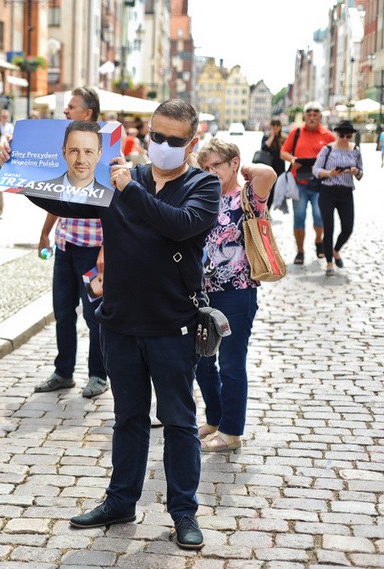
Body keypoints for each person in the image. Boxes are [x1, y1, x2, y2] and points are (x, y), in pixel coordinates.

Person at [25, 99, 221, 550]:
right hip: (119, 321)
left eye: (175, 140)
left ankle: (184, 512)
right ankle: (120, 500)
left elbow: (179, 225)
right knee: (127, 418)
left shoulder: (202, 185)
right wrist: (24, 183)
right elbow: (72, 204)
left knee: (177, 420)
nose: (164, 146)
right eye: (158, 136)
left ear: (191, 143)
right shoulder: (120, 174)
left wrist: (129, 189)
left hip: (173, 325)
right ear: (146, 133)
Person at [195, 138, 277, 452]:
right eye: (206, 167)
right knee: (202, 361)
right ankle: (215, 419)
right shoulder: (203, 197)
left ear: (232, 163)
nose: (210, 171)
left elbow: (267, 173)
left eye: (217, 164)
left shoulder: (248, 197)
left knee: (231, 364)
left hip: (237, 293)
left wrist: (241, 168)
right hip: (203, 293)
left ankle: (231, 432)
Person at [34, 87, 107, 399]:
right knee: (63, 311)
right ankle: (63, 372)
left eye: (71, 107)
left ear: (87, 114)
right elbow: (56, 197)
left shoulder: (105, 153)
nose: (65, 112)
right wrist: (45, 233)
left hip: (94, 250)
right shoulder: (64, 148)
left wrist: (108, 250)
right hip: (65, 246)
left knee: (95, 316)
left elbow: (114, 207)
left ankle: (98, 375)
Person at [280, 101, 335, 265]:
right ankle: (300, 252)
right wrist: (293, 159)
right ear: (305, 116)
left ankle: (319, 241)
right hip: (299, 183)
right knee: (299, 218)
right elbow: (283, 152)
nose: (311, 117)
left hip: (320, 184)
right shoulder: (296, 132)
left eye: (315, 114)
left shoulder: (328, 136)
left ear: (320, 116)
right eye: (309, 114)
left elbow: (336, 155)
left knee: (320, 217)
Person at [312, 120, 363, 277]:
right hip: (328, 191)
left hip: (346, 193)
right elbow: (316, 170)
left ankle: (336, 250)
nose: (345, 138)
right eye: (342, 135)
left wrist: (355, 172)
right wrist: (329, 173)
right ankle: (329, 263)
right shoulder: (327, 149)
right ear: (337, 134)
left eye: (349, 136)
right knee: (329, 228)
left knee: (348, 228)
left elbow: (361, 174)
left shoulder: (355, 150)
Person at [260, 119, 286, 208]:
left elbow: (287, 151)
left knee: (276, 190)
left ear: (280, 126)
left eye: (277, 125)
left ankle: (271, 209)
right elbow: (263, 148)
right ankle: (265, 210)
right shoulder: (266, 137)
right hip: (268, 167)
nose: (275, 127)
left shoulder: (284, 138)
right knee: (267, 191)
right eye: (273, 125)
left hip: (279, 168)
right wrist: (272, 136)